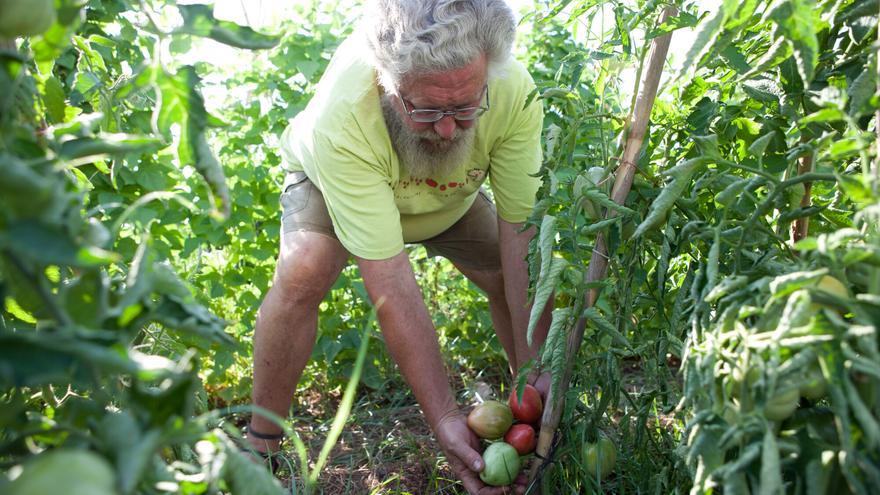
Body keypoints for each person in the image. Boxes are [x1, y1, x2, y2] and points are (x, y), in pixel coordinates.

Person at [245, 0, 551, 492]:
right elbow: (389, 278)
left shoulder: (513, 91)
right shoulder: (345, 111)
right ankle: (260, 442)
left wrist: (541, 373)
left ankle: (532, 404)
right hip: (338, 183)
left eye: (465, 106)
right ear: (386, 83)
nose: (449, 128)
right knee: (305, 267)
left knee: (503, 268)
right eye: (426, 109)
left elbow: (522, 236)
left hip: (447, 194)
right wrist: (446, 417)